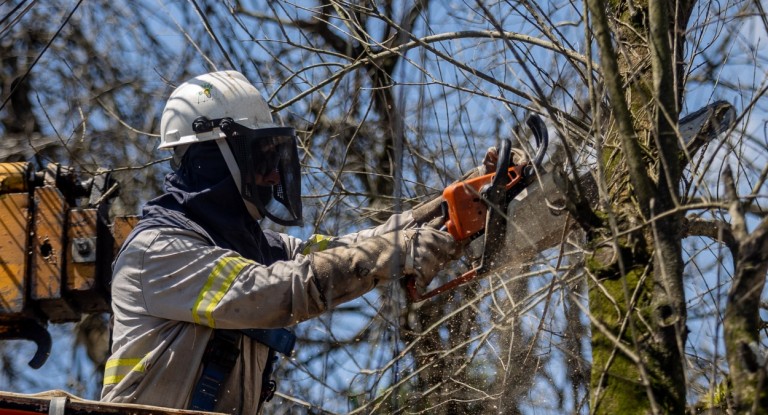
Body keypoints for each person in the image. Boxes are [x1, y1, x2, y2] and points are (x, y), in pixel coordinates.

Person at [99, 70, 492, 414]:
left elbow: (345, 250)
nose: (272, 178)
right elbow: (276, 290)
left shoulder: (261, 250)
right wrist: (397, 250)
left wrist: (454, 207)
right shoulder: (157, 251)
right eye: (262, 162)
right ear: (212, 159)